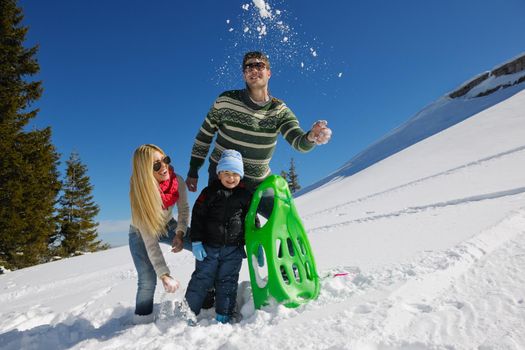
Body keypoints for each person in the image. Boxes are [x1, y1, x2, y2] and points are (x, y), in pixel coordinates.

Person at [185, 51, 332, 204]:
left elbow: (297, 140)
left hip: (258, 182)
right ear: (244, 75)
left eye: (259, 66)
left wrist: (311, 136)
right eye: (248, 67)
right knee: (224, 224)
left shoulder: (279, 110)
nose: (254, 70)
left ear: (269, 73)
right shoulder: (226, 101)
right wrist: (194, 169)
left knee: (283, 216)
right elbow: (204, 136)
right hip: (224, 177)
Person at [184, 150, 252, 324]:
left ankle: (224, 314)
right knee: (201, 279)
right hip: (208, 247)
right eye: (227, 173)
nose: (231, 178)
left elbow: (251, 220)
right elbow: (198, 216)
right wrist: (197, 241)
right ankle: (188, 312)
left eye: (235, 174)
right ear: (219, 174)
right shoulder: (209, 192)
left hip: (234, 249)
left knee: (228, 282)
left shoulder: (245, 195)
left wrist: (254, 245)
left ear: (241, 175)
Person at [128, 144, 191, 324]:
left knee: (199, 245)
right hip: (141, 233)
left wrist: (180, 233)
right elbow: (150, 241)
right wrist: (164, 274)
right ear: (145, 170)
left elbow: (184, 209)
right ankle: (142, 322)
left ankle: (202, 296)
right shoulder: (139, 195)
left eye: (165, 160)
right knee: (148, 278)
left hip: (168, 225)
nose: (164, 167)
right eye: (156, 165)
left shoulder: (177, 180)